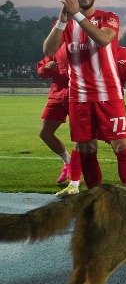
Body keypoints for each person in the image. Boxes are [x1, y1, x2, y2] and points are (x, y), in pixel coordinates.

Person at [42, 0, 126, 196]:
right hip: (79, 97)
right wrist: (63, 19)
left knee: (121, 146)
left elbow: (103, 39)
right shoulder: (65, 24)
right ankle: (97, 199)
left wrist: (75, 14)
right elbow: (48, 50)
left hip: (109, 94)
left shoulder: (108, 17)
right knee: (86, 149)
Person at [36, 45, 77, 185]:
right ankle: (69, 163)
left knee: (80, 136)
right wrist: (46, 67)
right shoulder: (55, 47)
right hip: (58, 95)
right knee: (45, 133)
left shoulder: (81, 42)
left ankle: (77, 172)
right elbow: (42, 72)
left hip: (79, 95)